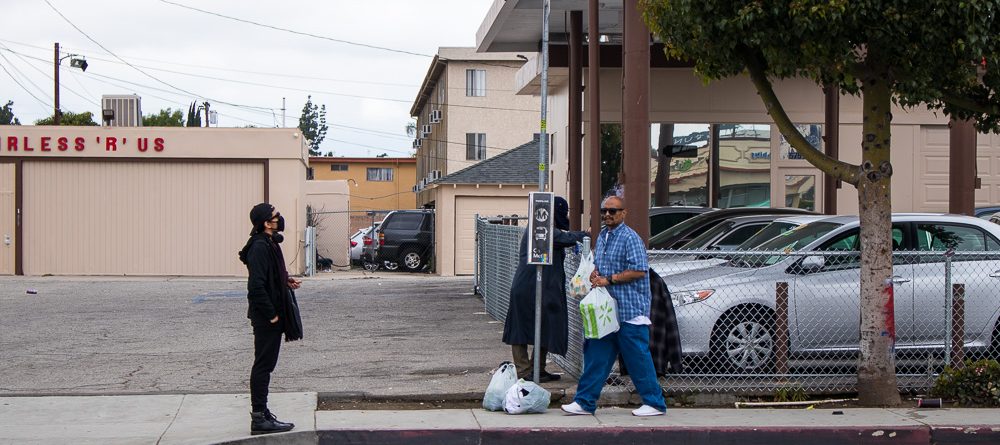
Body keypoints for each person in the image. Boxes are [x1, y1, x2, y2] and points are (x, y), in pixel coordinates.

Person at [561, 196, 667, 417]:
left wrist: (608, 279)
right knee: (596, 356)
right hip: (607, 311)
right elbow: (601, 266)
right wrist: (595, 273)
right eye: (604, 211)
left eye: (613, 211)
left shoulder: (630, 238)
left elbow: (639, 270)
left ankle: (655, 403)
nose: (607, 215)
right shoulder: (604, 237)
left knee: (638, 358)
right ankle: (585, 402)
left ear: (623, 213)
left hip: (629, 309)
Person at [502, 196, 588, 382]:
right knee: (520, 329)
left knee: (545, 326)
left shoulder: (546, 229)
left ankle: (537, 369)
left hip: (540, 286)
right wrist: (586, 234)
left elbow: (564, 236)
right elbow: (566, 237)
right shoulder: (540, 230)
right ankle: (525, 372)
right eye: (562, 212)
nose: (564, 216)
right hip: (528, 286)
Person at [238, 203, 303, 435]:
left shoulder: (269, 243)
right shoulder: (259, 247)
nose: (279, 218)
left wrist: (285, 280)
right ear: (266, 223)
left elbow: (270, 274)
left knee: (267, 364)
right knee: (263, 365)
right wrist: (273, 315)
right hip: (266, 317)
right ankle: (259, 417)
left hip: (270, 315)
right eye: (276, 215)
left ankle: (262, 413)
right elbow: (256, 286)